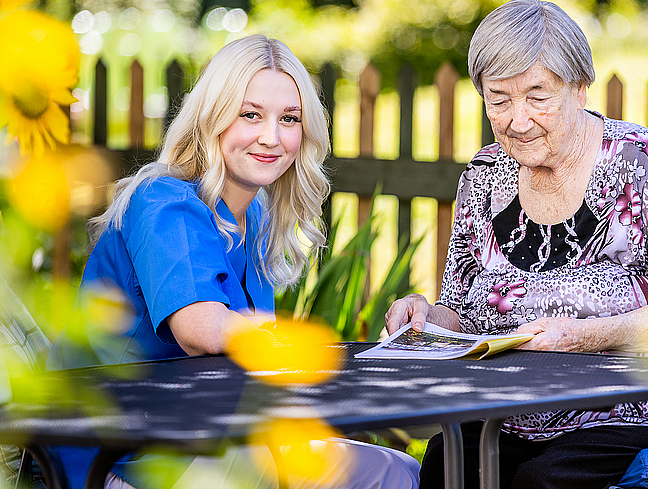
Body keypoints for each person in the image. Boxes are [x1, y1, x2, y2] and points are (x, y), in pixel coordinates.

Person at [385, 0, 648, 489]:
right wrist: (425, 316)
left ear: (579, 88)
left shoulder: (641, 163)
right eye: (499, 99)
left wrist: (583, 336)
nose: (518, 120)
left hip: (629, 409)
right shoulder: (485, 176)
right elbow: (462, 312)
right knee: (447, 462)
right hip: (511, 410)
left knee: (546, 480)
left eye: (537, 95)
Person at [47, 35, 420, 489]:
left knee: (397, 471)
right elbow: (201, 329)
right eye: (251, 115)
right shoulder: (163, 202)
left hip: (208, 438)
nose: (272, 137)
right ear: (212, 118)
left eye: (290, 119)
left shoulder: (255, 214)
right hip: (121, 457)